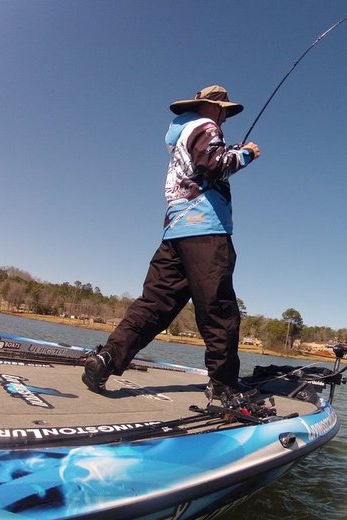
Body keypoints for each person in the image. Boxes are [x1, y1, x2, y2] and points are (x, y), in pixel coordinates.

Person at [82, 84, 260, 404]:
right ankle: (223, 385)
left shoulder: (181, 133)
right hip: (205, 230)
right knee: (218, 309)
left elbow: (201, 163)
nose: (224, 118)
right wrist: (245, 153)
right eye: (223, 112)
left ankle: (107, 358)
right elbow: (213, 164)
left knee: (154, 305)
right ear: (216, 108)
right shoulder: (206, 127)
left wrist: (228, 149)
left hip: (174, 232)